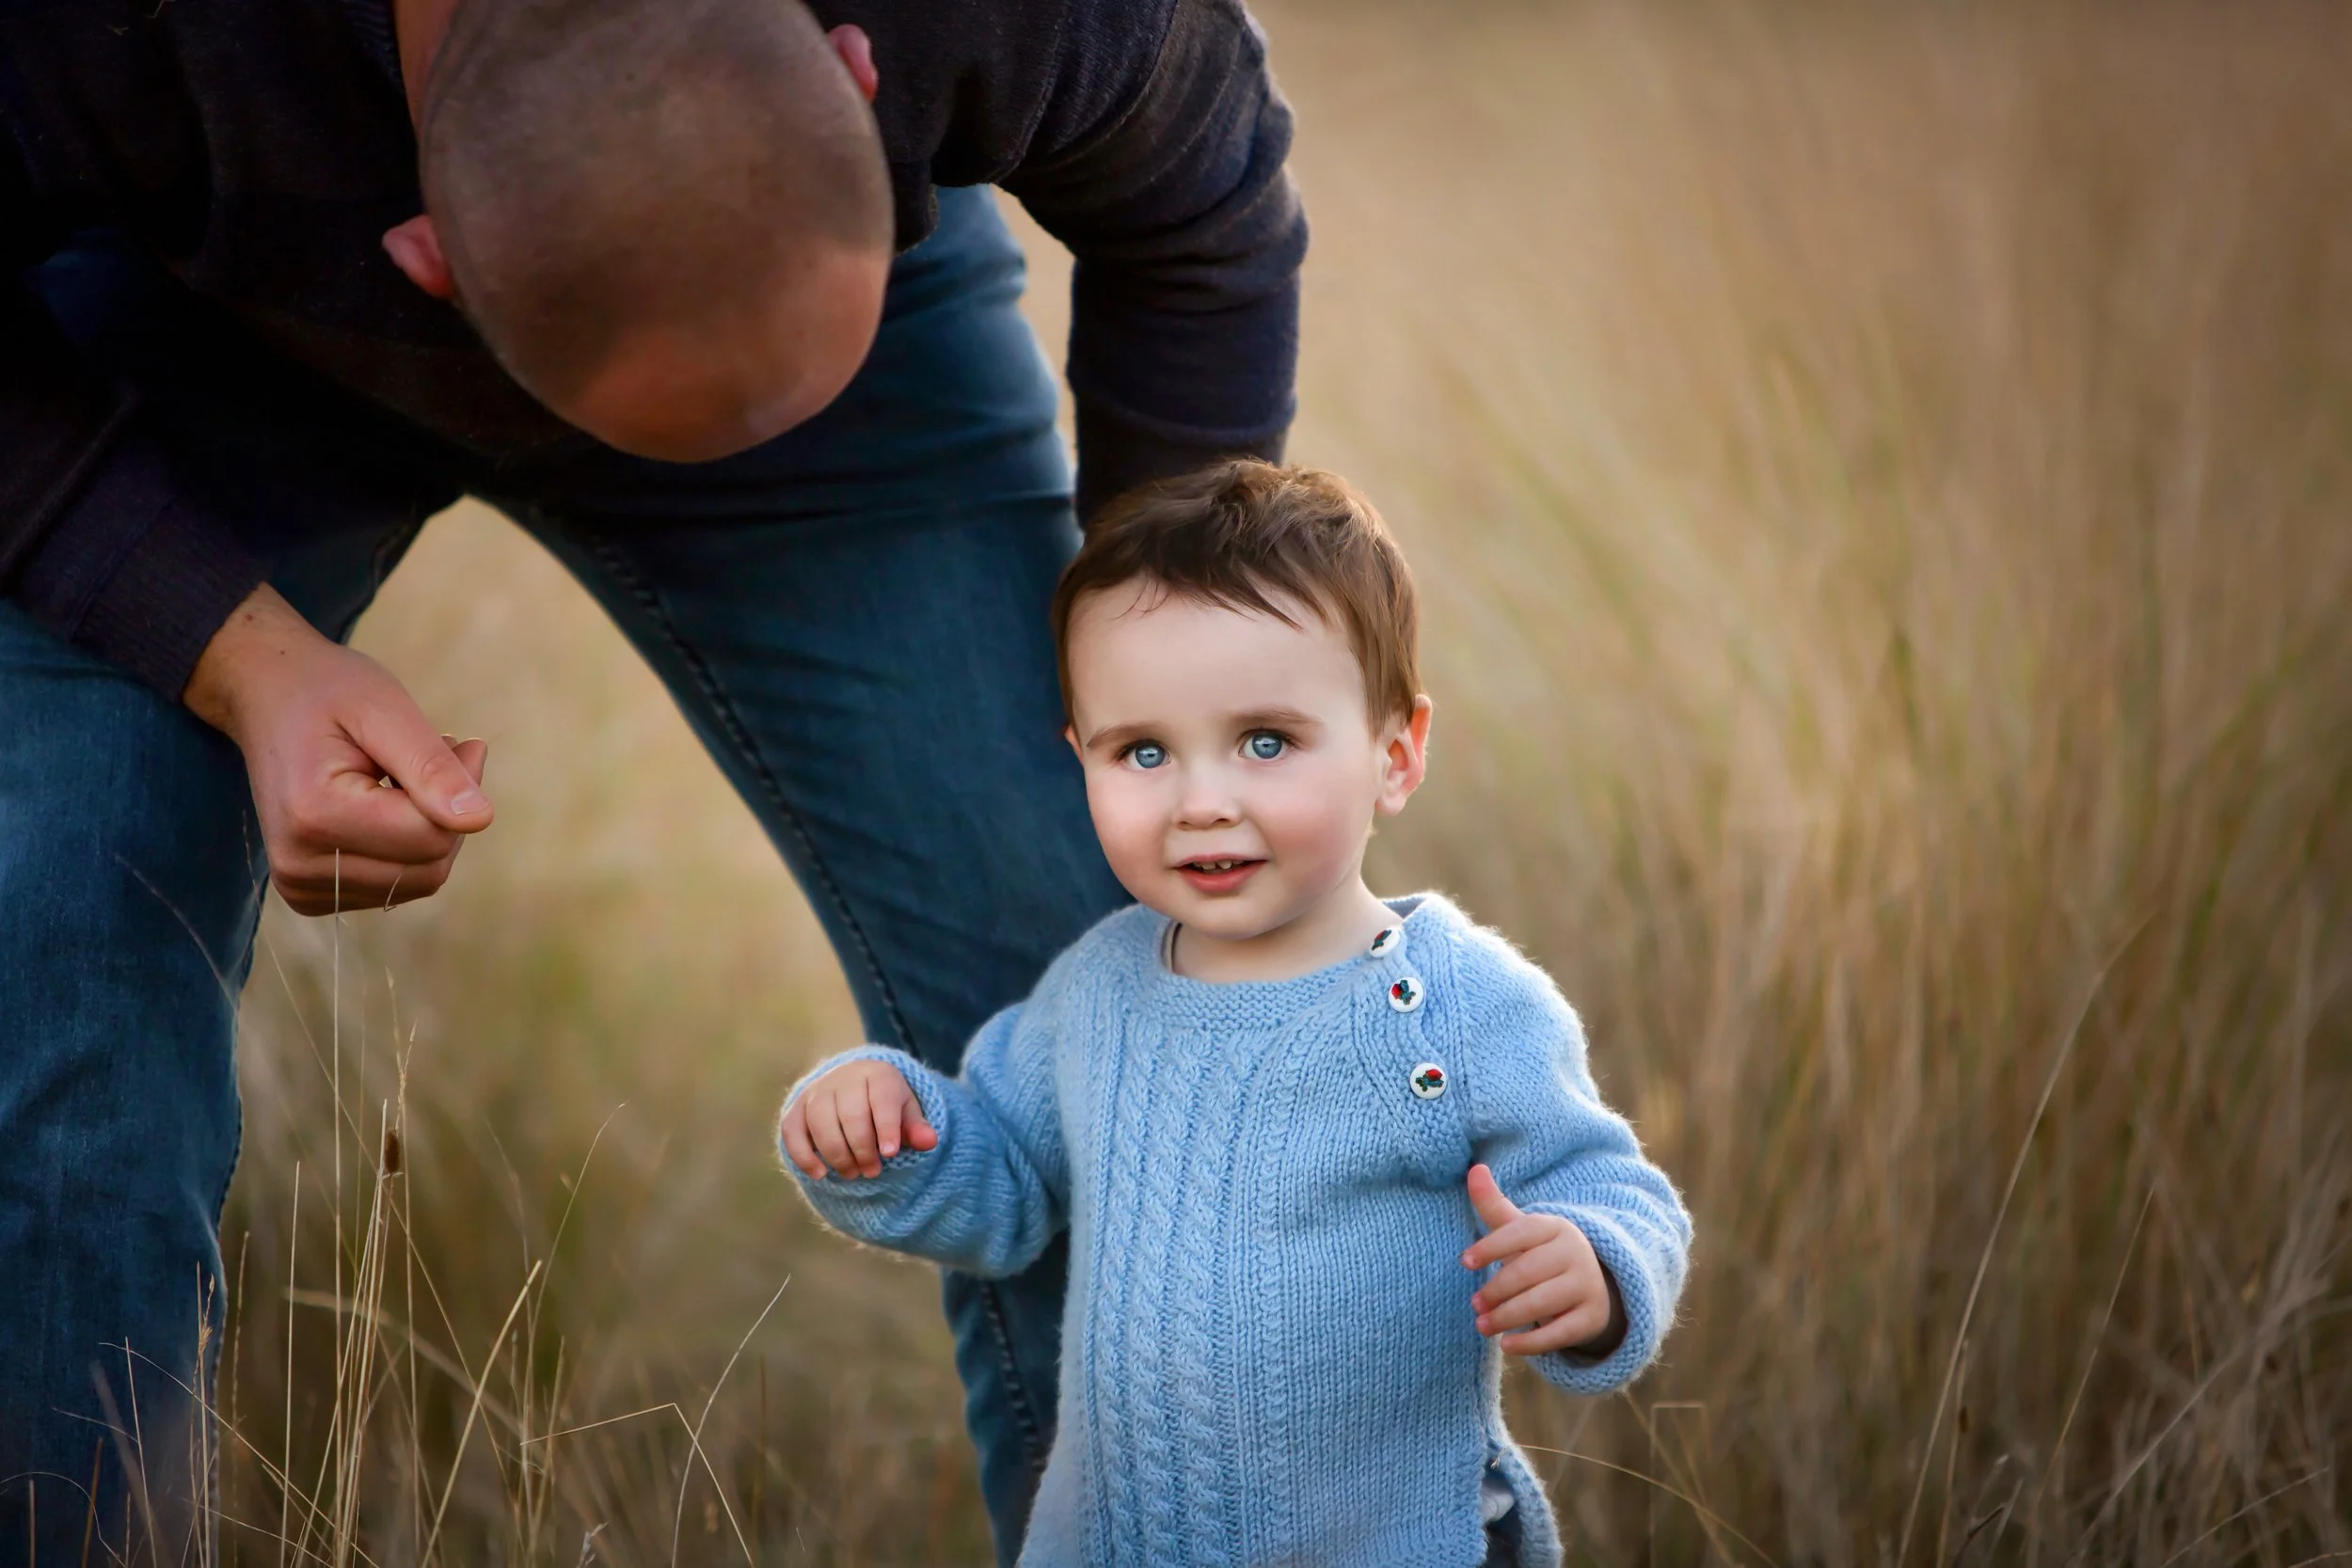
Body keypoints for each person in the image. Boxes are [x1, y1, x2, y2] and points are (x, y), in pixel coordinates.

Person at [0, 0, 1306, 1555]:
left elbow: (1205, 197)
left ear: (854, 64)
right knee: (62, 1007)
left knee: (1108, 997)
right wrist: (239, 659)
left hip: (826, 297)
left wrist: (1164, 686)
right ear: (421, 258)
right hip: (198, 310)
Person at [779, 460, 1693, 1567]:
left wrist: (1593, 1266)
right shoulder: (1098, 987)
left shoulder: (1452, 1002)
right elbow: (1003, 1187)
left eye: (1266, 741)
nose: (1201, 797)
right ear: (1081, 760)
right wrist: (888, 1130)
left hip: (1393, 1540)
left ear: (1393, 754)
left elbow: (1611, 1183)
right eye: (1143, 751)